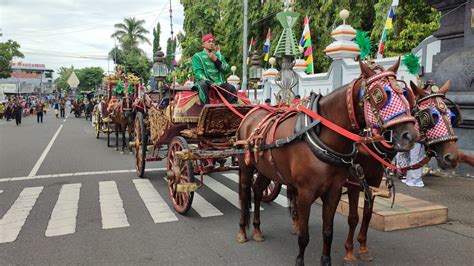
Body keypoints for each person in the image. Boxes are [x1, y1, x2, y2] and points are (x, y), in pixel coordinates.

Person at [192, 33, 237, 104]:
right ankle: (206, 108)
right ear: (203, 44)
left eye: (213, 42)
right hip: (205, 82)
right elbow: (198, 73)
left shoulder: (219, 56)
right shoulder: (197, 56)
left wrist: (216, 60)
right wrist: (208, 82)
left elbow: (227, 70)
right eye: (209, 41)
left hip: (219, 83)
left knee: (231, 88)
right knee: (202, 85)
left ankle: (232, 110)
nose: (211, 43)